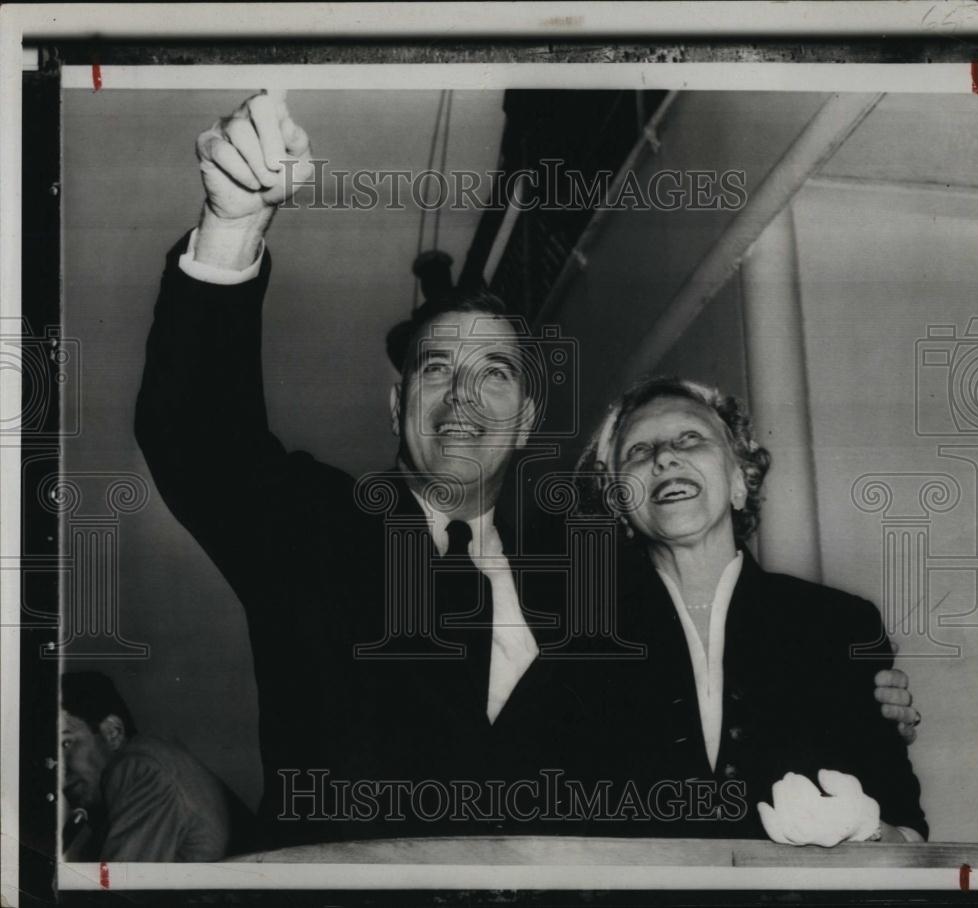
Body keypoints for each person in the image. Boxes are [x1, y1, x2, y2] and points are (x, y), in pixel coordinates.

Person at [135, 91, 920, 845]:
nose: (464, 398)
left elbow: (714, 706)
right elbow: (198, 439)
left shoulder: (594, 590)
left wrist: (860, 701)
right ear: (395, 405)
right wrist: (232, 225)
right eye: (437, 370)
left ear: (526, 424)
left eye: (496, 374)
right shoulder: (315, 531)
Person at [573, 377, 927, 844]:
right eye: (639, 452)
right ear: (620, 506)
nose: (663, 457)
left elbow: (908, 829)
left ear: (740, 480)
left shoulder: (838, 626)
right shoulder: (580, 651)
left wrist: (868, 833)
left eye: (690, 439)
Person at [60, 671, 256, 861]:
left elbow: (119, 888)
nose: (59, 771)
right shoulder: (149, 762)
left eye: (65, 744)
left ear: (113, 732)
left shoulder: (139, 768)